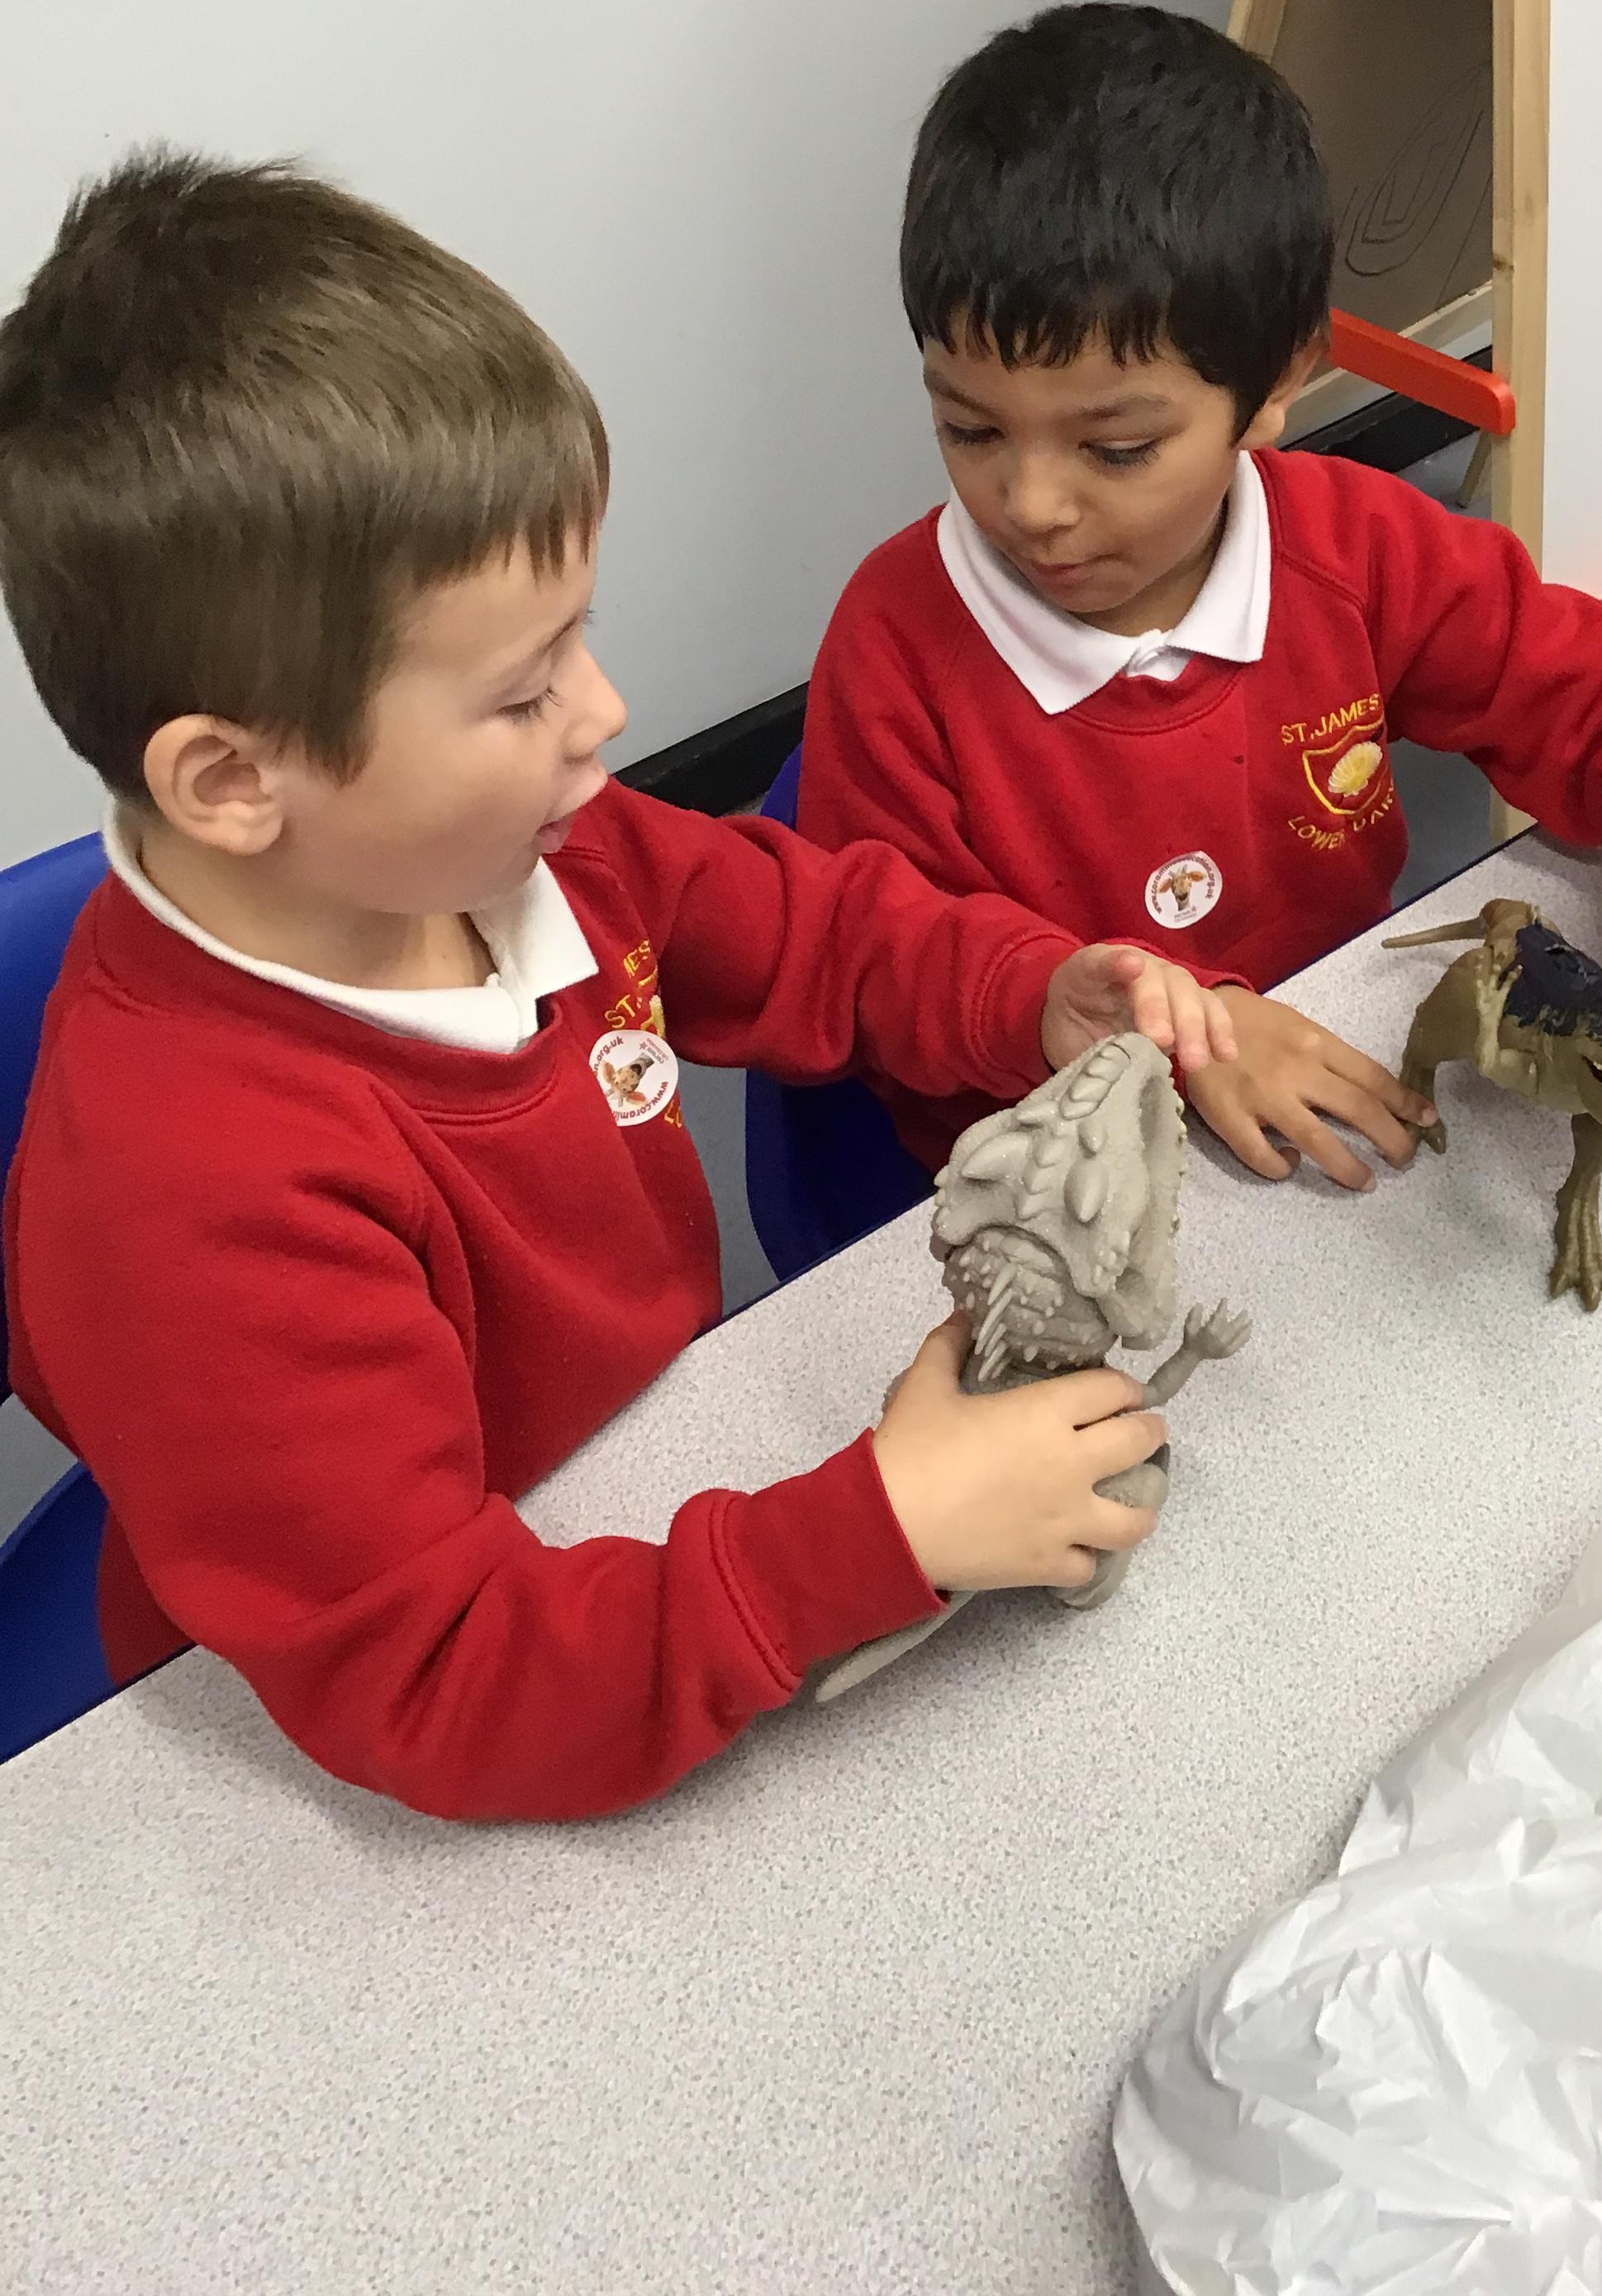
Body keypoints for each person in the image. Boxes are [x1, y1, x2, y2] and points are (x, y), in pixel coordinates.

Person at [0, 153, 1235, 1821]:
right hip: (395, 1710)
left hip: (635, 1495)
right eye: (524, 692)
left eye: (578, 637)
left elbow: (800, 927)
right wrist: (882, 1533)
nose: (605, 712)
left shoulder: (521, 848)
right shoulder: (191, 1195)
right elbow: (443, 1680)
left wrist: (1026, 992)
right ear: (232, 784)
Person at [797, 3, 1602, 1180]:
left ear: (1278, 384)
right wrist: (1178, 1037)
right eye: (970, 430)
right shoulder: (897, 647)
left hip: (1328, 1132)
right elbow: (871, 967)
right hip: (1057, 1170)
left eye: (1116, 450)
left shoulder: (1355, 551)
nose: (1031, 505)